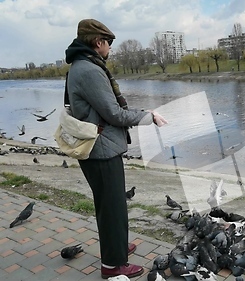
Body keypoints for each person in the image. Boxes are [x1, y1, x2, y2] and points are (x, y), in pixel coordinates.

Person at [64, 19, 167, 279]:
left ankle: (117, 247)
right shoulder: (89, 70)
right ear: (98, 43)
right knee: (112, 210)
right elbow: (114, 115)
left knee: (112, 205)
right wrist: (148, 116)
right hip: (101, 152)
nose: (110, 48)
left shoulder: (82, 66)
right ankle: (112, 265)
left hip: (100, 150)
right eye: (109, 43)